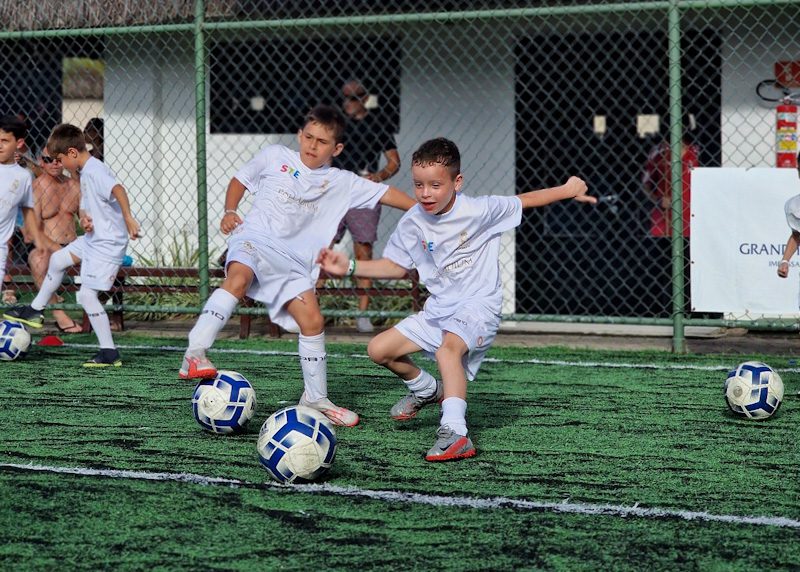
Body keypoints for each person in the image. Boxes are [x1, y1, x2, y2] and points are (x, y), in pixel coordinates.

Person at [317, 138, 594, 461]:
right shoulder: (413, 222)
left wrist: (568, 188)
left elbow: (525, 200)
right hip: (439, 310)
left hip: (479, 306)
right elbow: (395, 266)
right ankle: (426, 390)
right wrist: (349, 266)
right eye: (419, 185)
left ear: (456, 183)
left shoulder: (479, 210)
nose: (425, 193)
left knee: (448, 351)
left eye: (436, 185)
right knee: (379, 350)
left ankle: (456, 433)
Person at [178, 104, 415, 428]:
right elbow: (239, 180)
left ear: (337, 148)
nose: (312, 145)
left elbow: (387, 194)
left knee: (313, 320)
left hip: (291, 262)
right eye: (308, 137)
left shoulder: (341, 181)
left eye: (321, 141)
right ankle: (195, 353)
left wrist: (426, 213)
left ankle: (316, 398)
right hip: (254, 239)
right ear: (299, 135)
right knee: (238, 279)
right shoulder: (276, 156)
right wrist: (230, 210)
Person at [4, 123, 140, 367]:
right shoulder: (85, 172)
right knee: (57, 261)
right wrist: (87, 219)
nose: (59, 165)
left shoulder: (95, 170)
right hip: (93, 238)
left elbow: (118, 189)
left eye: (59, 159)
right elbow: (93, 204)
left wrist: (128, 218)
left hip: (107, 244)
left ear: (72, 154)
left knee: (87, 296)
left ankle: (109, 352)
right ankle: (35, 310)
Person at [331, 79, 401, 333]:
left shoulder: (378, 123)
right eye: (345, 97)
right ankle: (309, 307)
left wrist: (378, 177)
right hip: (337, 190)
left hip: (364, 191)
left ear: (364, 98)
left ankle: (363, 313)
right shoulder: (338, 125)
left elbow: (394, 161)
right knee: (319, 245)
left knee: (364, 251)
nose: (347, 102)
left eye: (353, 97)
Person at [27, 145, 83, 332]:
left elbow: (85, 218)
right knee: (37, 259)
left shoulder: (74, 186)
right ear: (41, 162)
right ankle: (59, 316)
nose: (53, 163)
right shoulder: (36, 188)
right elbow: (32, 231)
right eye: (47, 159)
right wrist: (59, 250)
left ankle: (104, 315)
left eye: (57, 159)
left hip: (74, 243)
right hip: (49, 245)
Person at [0, 115, 43, 304]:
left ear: (19, 143)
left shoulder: (23, 177)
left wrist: (41, 241)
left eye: (4, 141)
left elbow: (27, 211)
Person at [642, 117, 699, 238]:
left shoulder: (696, 152)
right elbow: (645, 184)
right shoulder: (659, 152)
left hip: (694, 217)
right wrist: (658, 200)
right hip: (665, 219)